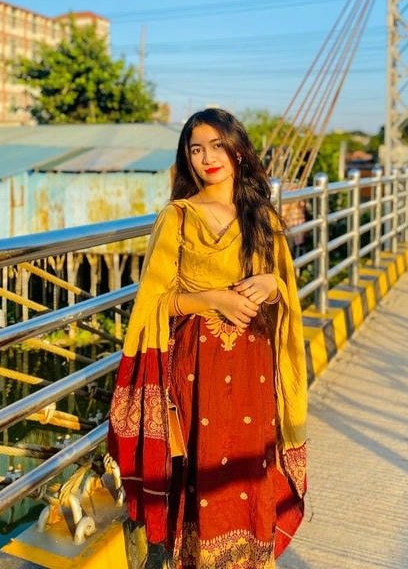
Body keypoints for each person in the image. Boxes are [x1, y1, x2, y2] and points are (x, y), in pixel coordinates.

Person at [108, 108, 307, 568]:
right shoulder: (178, 218)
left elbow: (284, 290)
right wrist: (212, 298)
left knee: (250, 473)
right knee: (201, 480)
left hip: (254, 372)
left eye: (217, 145)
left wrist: (274, 285)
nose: (207, 158)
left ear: (238, 149)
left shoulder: (262, 218)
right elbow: (154, 303)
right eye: (196, 149)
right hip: (198, 374)